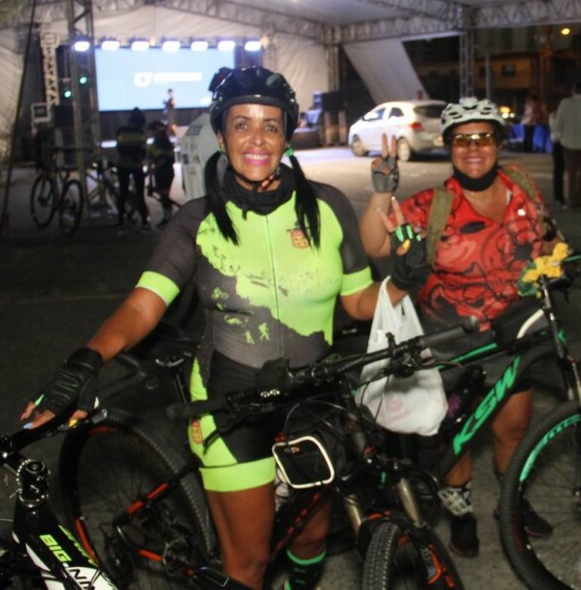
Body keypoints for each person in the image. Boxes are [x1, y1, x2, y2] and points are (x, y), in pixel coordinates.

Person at [21, 66, 423, 589]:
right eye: (241, 125)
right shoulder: (196, 220)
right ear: (220, 135)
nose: (257, 139)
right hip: (229, 404)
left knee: (309, 538)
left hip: (314, 395)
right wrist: (87, 360)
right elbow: (144, 305)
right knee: (248, 565)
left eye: (270, 125)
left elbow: (359, 302)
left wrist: (403, 279)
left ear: (287, 135)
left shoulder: (328, 207)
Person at [359, 96, 559, 558]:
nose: (474, 148)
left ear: (498, 143)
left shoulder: (522, 185)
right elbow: (374, 245)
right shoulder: (433, 205)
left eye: (483, 138)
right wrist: (383, 188)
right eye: (462, 140)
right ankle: (461, 511)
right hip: (452, 342)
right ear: (448, 146)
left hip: (514, 334)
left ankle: (512, 503)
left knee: (513, 430)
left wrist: (558, 255)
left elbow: (546, 237)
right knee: (457, 436)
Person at [115, 107, 152, 231]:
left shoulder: (121, 131)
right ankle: (144, 222)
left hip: (123, 164)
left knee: (123, 193)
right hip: (137, 165)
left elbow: (119, 149)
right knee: (140, 194)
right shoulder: (140, 133)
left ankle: (120, 222)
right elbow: (143, 152)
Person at [147, 119, 176, 228]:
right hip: (160, 172)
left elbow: (164, 159)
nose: (151, 133)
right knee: (163, 196)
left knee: (165, 196)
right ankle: (166, 218)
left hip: (165, 171)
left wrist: (154, 169)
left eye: (152, 130)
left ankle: (168, 219)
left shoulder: (163, 141)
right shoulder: (157, 141)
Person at [548, 108, 565, 205]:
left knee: (561, 170)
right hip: (559, 143)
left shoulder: (554, 115)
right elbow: (556, 129)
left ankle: (563, 196)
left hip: (565, 143)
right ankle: (559, 195)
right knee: (559, 170)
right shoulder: (554, 115)